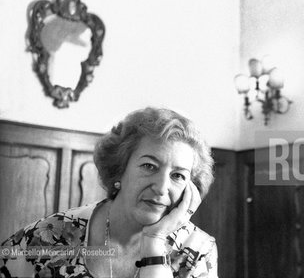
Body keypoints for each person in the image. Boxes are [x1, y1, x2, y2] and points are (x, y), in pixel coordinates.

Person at [0, 107, 218, 278]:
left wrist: (154, 241)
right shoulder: (51, 235)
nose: (161, 188)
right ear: (119, 170)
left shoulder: (197, 251)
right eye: (149, 166)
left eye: (178, 176)